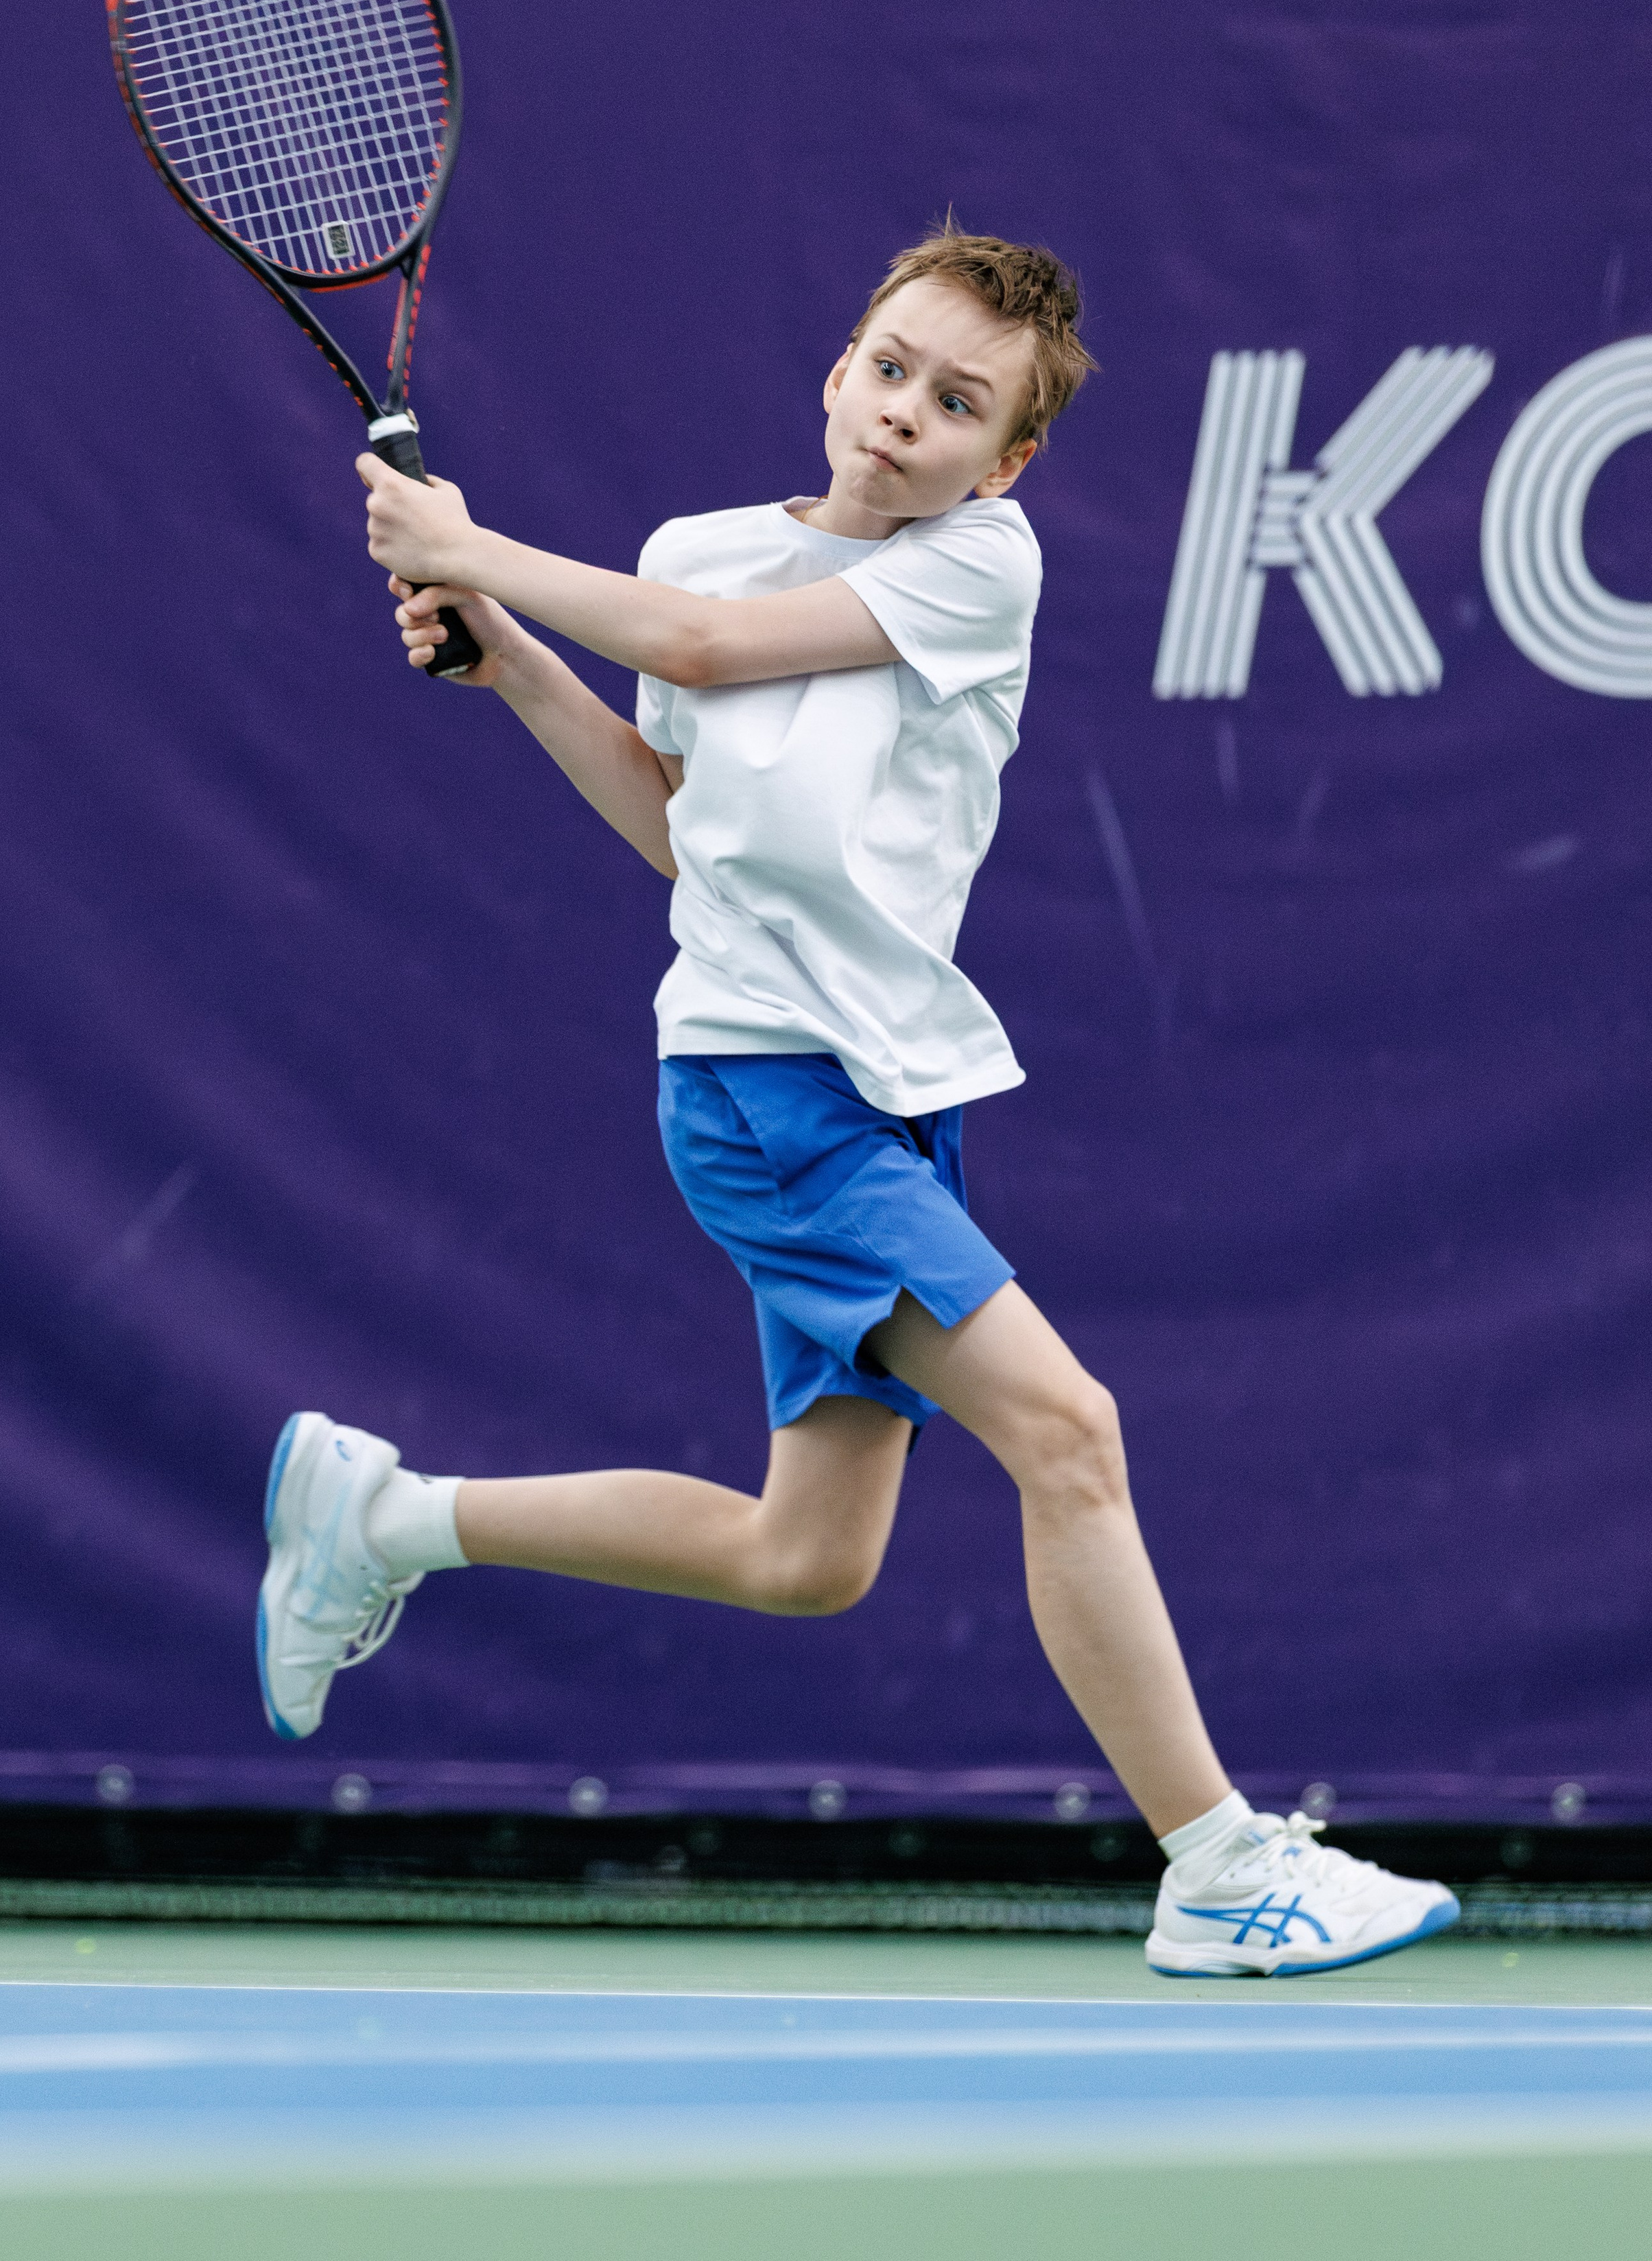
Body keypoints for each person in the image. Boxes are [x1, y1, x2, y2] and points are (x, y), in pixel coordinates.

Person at [257, 223, 1457, 1977]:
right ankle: (1215, 1862)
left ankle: (379, 1517)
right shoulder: (693, 551)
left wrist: (473, 562)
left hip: (893, 1091)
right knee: (1067, 1430)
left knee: (803, 1555)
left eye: (957, 402)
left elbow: (702, 646)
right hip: (763, 1090)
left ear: (1006, 459)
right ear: (838, 370)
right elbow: (685, 830)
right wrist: (512, 656)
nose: (905, 412)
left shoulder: (977, 566)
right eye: (888, 368)